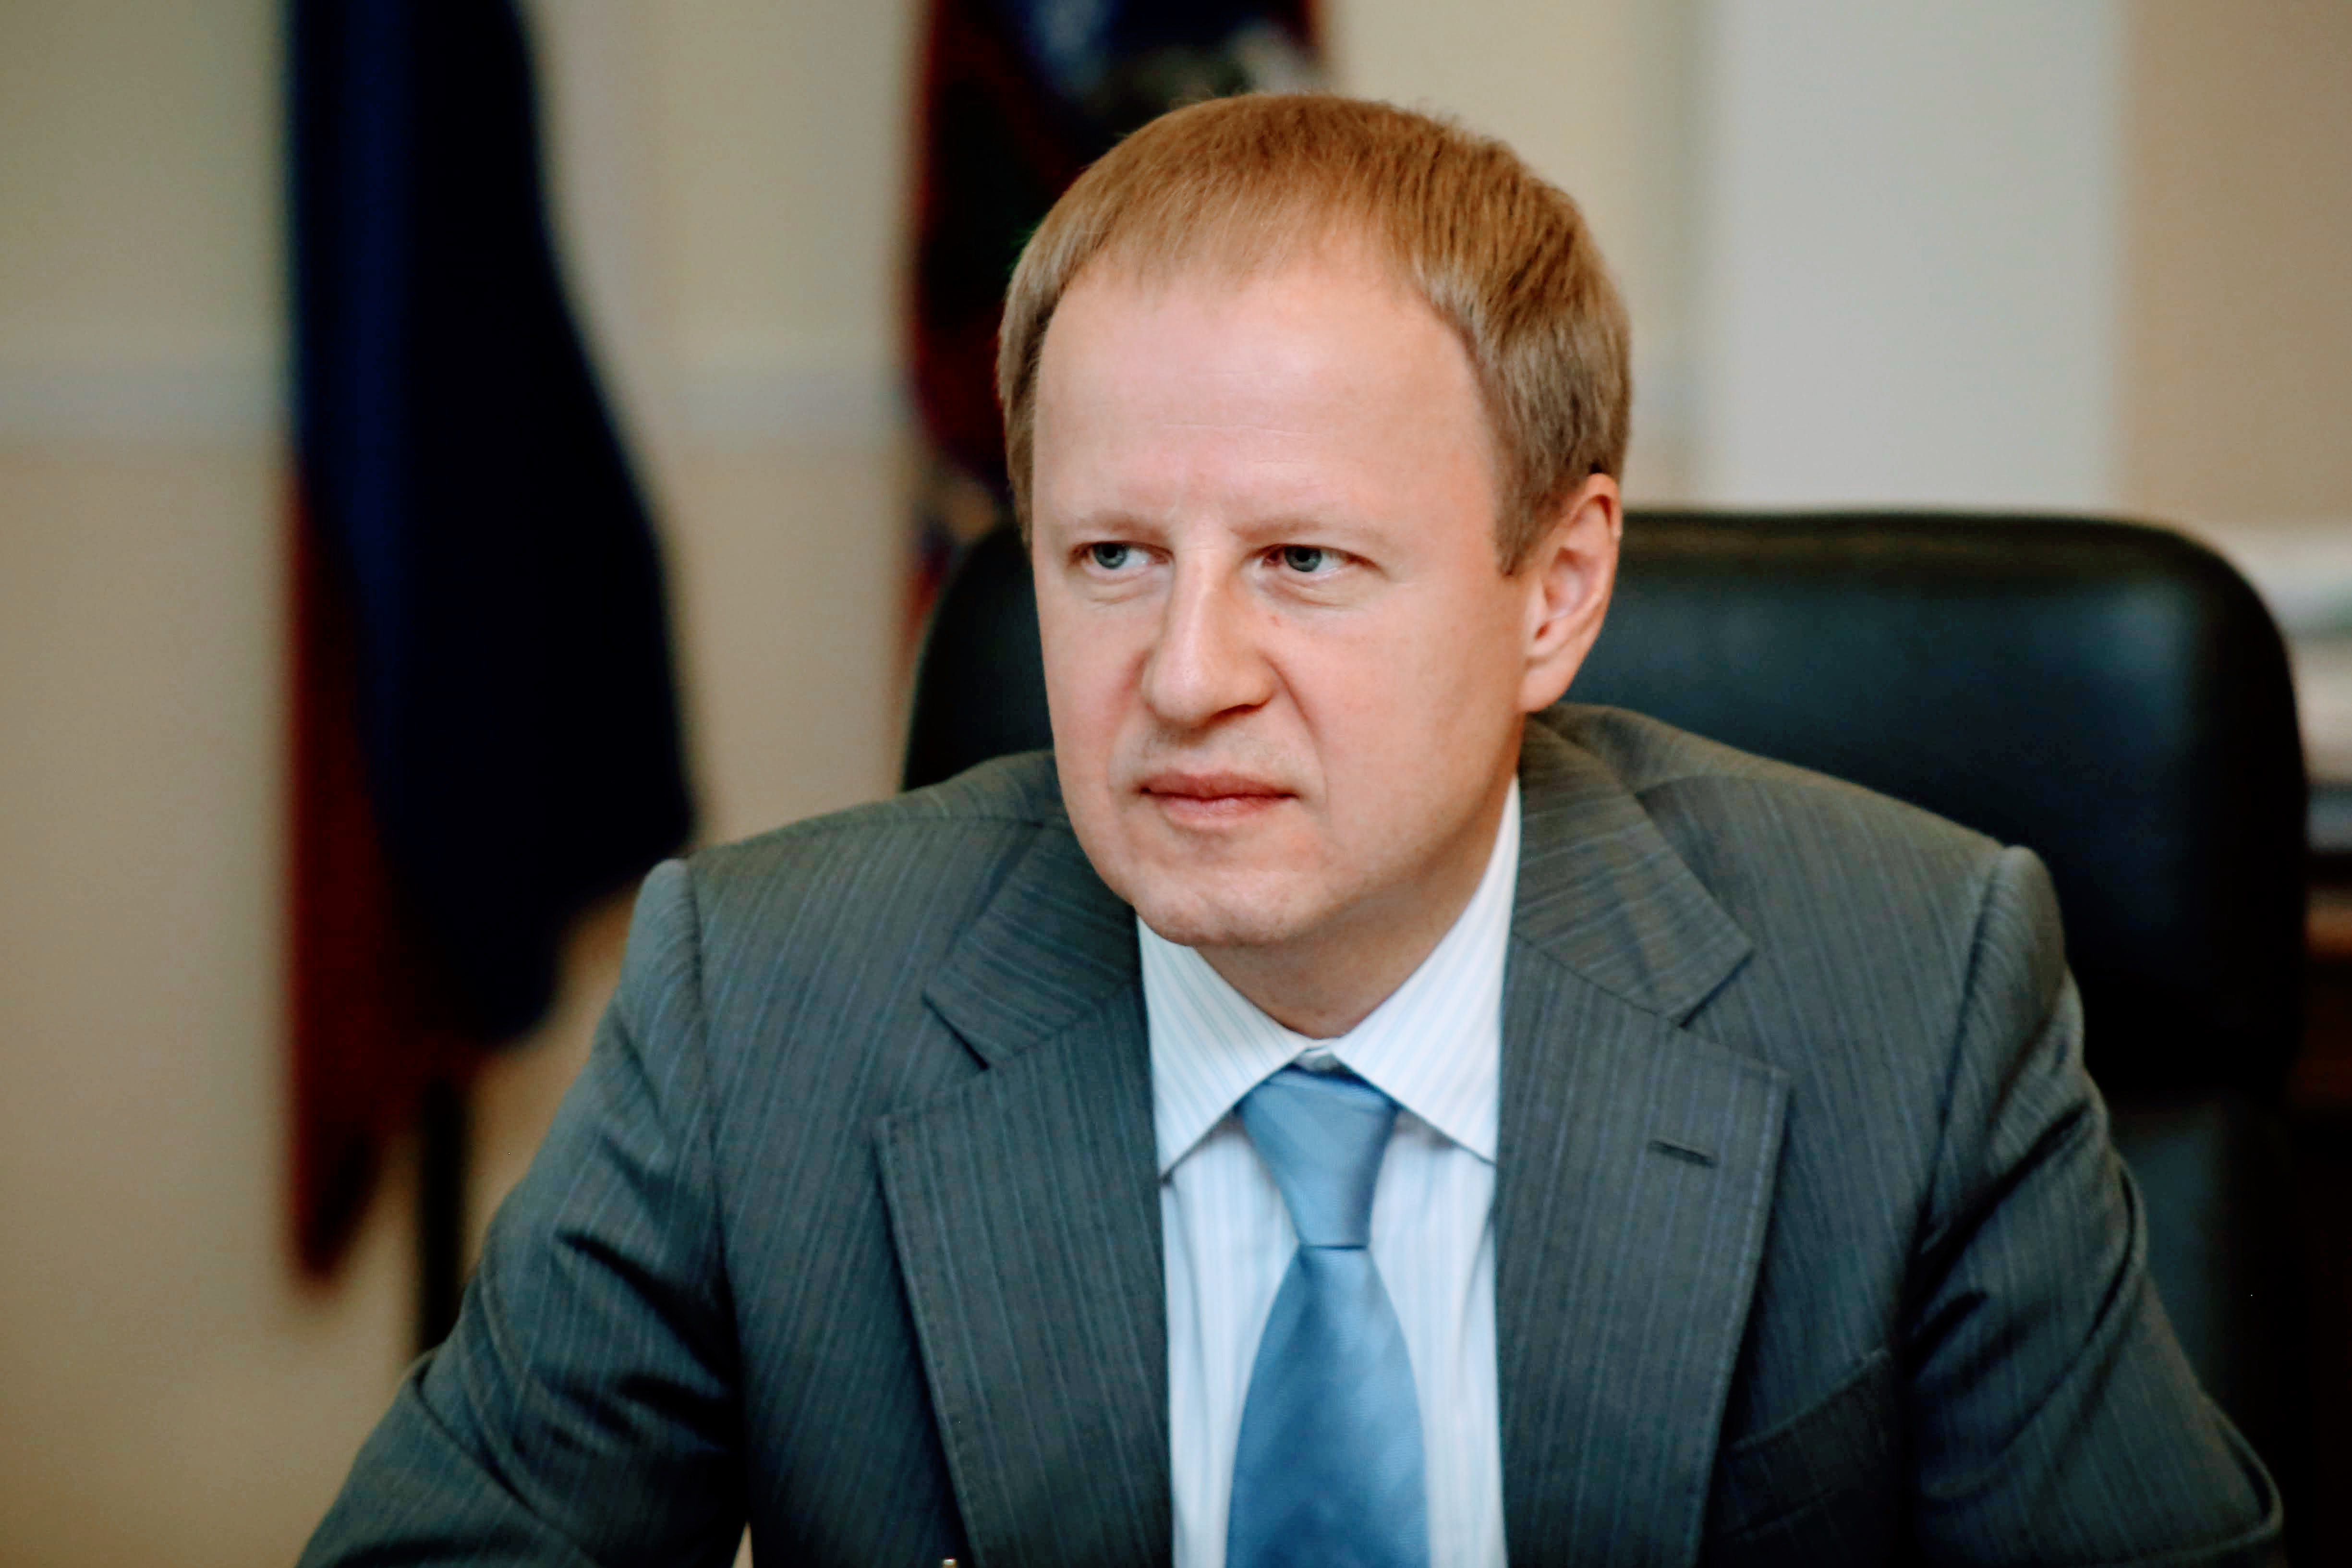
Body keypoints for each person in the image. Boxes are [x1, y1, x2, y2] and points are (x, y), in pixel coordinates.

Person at [303, 95, 2281, 1567]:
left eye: (1305, 562)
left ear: (1553, 591)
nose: (1183, 674)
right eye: (1109, 556)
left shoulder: (1907, 987)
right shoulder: (766, 1005)